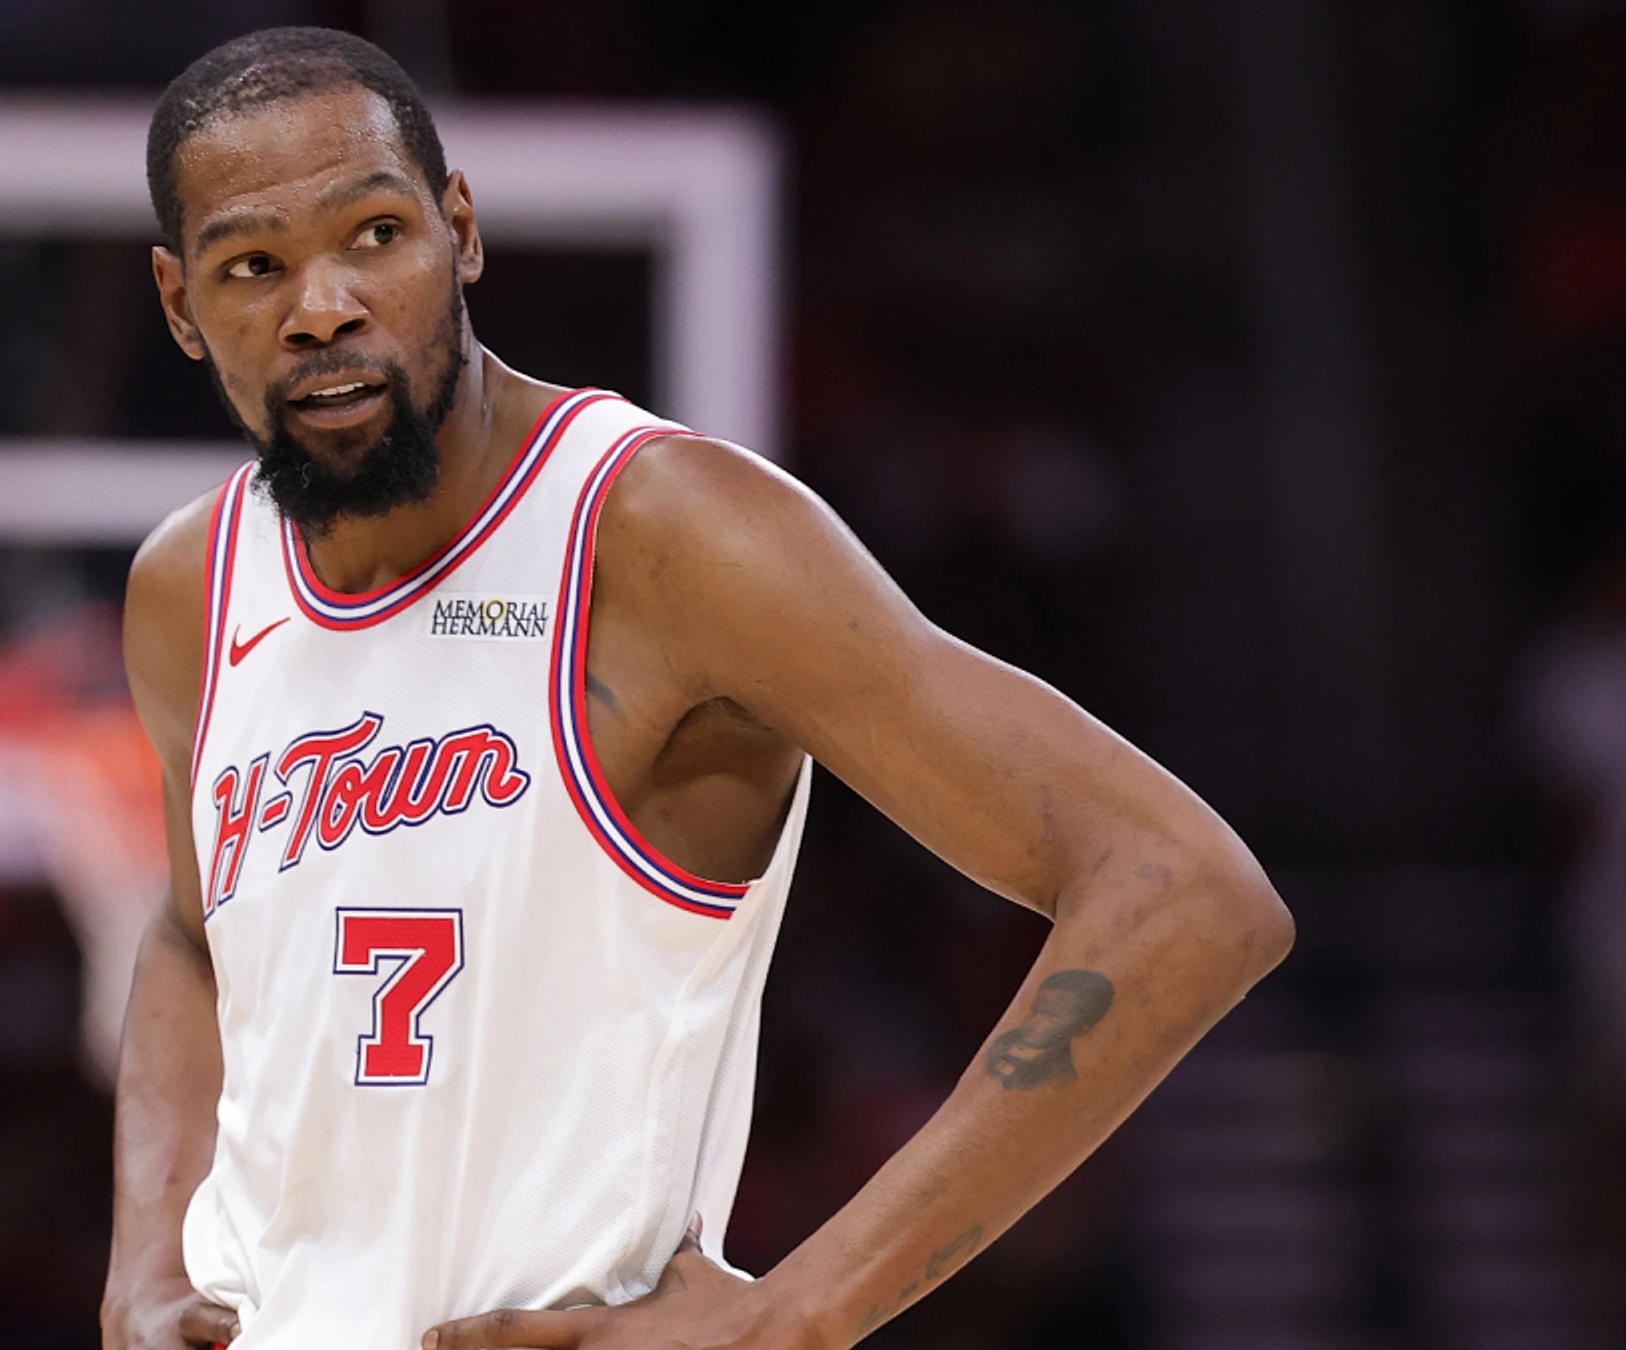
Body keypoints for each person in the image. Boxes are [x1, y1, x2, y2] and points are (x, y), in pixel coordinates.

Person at [102, 27, 1292, 1350]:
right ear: (180, 304)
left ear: (461, 234)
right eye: (254, 266)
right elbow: (191, 935)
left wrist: (800, 1315)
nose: (323, 305)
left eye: (374, 235)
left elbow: (1185, 892)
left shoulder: (664, 534)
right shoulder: (190, 587)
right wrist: (147, 1254)